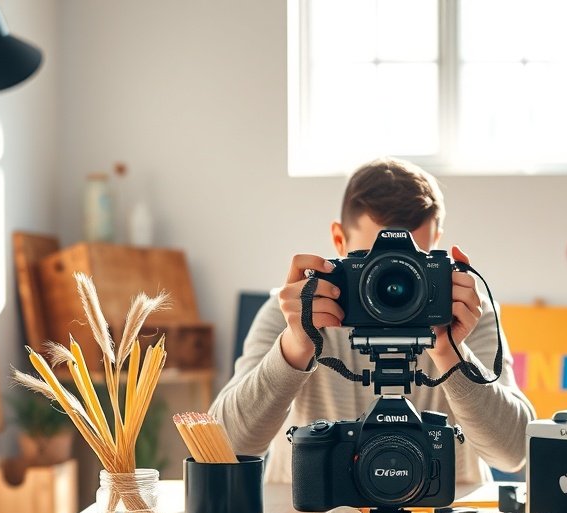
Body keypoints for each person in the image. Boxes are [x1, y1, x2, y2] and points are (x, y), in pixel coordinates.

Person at [210, 157, 533, 492]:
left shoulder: (466, 316)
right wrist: (295, 348)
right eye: (370, 262)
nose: (392, 287)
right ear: (338, 240)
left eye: (412, 263)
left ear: (437, 242)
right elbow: (225, 445)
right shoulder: (293, 313)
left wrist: (452, 353)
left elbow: (513, 454)